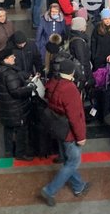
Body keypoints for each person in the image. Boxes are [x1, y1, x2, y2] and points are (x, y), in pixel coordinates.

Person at [39, 59, 91, 206]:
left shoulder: (53, 82)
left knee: (69, 161)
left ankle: (78, 186)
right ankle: (49, 190)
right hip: (68, 132)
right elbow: (75, 116)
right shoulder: (70, 89)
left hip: (57, 127)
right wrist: (81, 137)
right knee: (73, 162)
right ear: (72, 72)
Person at [0, 47, 36, 160]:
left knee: (8, 129)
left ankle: (8, 151)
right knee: (21, 130)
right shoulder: (9, 74)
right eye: (12, 57)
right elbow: (16, 92)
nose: (14, 57)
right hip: (16, 108)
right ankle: (20, 153)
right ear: (6, 60)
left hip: (6, 107)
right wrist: (29, 87)